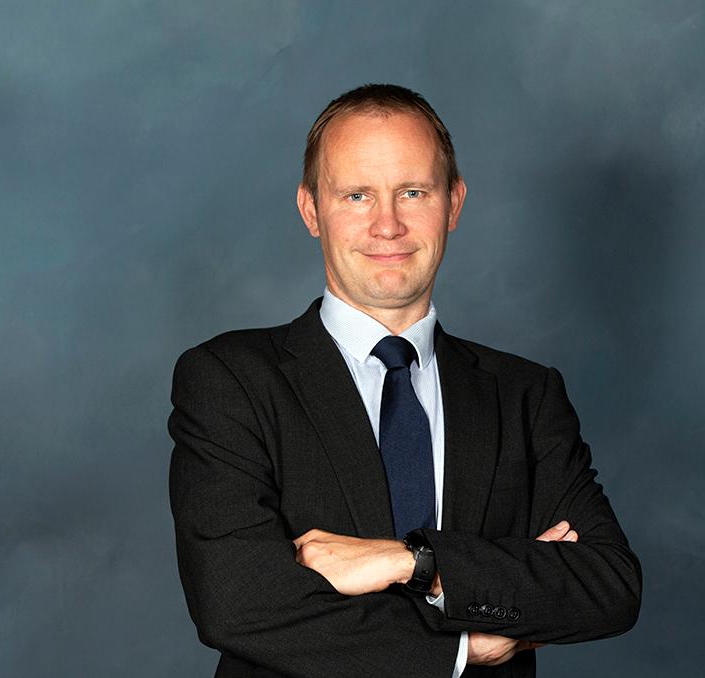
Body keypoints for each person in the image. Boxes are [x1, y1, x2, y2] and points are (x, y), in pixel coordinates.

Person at [168, 83, 641, 678]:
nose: (387, 225)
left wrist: (415, 562)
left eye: (413, 192)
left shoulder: (525, 395)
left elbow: (608, 586)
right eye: (357, 195)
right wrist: (462, 647)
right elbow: (236, 602)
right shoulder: (230, 380)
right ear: (311, 210)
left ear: (454, 203)